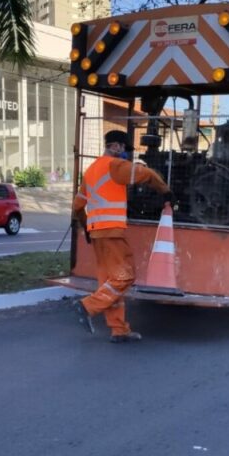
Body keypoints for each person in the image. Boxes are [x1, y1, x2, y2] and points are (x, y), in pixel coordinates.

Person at [72, 129, 173, 343]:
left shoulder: (91, 171)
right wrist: (165, 191)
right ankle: (88, 306)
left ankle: (119, 330)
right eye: (126, 149)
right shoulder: (115, 166)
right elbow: (147, 174)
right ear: (115, 146)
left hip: (98, 234)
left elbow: (78, 206)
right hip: (112, 233)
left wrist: (87, 228)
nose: (127, 154)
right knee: (124, 277)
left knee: (109, 283)